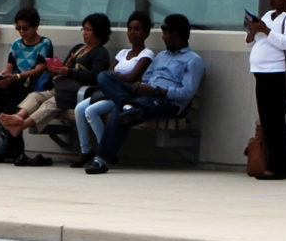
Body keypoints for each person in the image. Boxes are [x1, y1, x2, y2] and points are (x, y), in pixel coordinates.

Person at [84, 14, 206, 175]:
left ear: (175, 35)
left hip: (166, 103)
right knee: (104, 77)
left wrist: (156, 91)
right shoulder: (162, 56)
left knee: (120, 112)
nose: (162, 38)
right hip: (145, 95)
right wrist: (141, 86)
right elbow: (148, 77)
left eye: (165, 34)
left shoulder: (193, 60)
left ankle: (101, 160)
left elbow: (187, 92)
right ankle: (128, 104)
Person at [0, 13, 111, 158]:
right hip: (61, 87)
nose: (85, 33)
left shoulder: (101, 53)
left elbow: (95, 77)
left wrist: (68, 71)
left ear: (98, 31)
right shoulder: (78, 48)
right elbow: (64, 66)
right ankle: (18, 116)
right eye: (83, 29)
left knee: (50, 104)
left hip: (77, 93)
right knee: (36, 96)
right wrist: (56, 69)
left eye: (88, 29)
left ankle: (21, 125)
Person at [71, 11, 153, 167]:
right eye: (129, 29)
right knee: (80, 109)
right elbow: (107, 74)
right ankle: (85, 150)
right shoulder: (123, 53)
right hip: (109, 92)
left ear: (145, 32)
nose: (132, 33)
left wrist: (113, 76)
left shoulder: (147, 54)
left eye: (136, 29)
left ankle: (106, 152)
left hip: (124, 94)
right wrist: (114, 76)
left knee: (91, 111)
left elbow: (132, 77)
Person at [245, 0, 286, 180]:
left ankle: (279, 168)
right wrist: (253, 32)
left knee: (275, 120)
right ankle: (276, 164)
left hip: (278, 74)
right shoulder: (268, 15)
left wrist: (266, 31)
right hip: (262, 73)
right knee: (267, 121)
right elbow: (254, 43)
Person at [0, 7, 53, 159]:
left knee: (12, 107)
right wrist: (3, 77)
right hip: (15, 84)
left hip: (32, 86)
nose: (22, 32)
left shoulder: (44, 44)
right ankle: (3, 145)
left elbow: (39, 69)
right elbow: (9, 66)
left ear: (35, 27)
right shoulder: (16, 44)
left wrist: (17, 77)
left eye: (25, 28)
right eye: (19, 28)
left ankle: (16, 150)